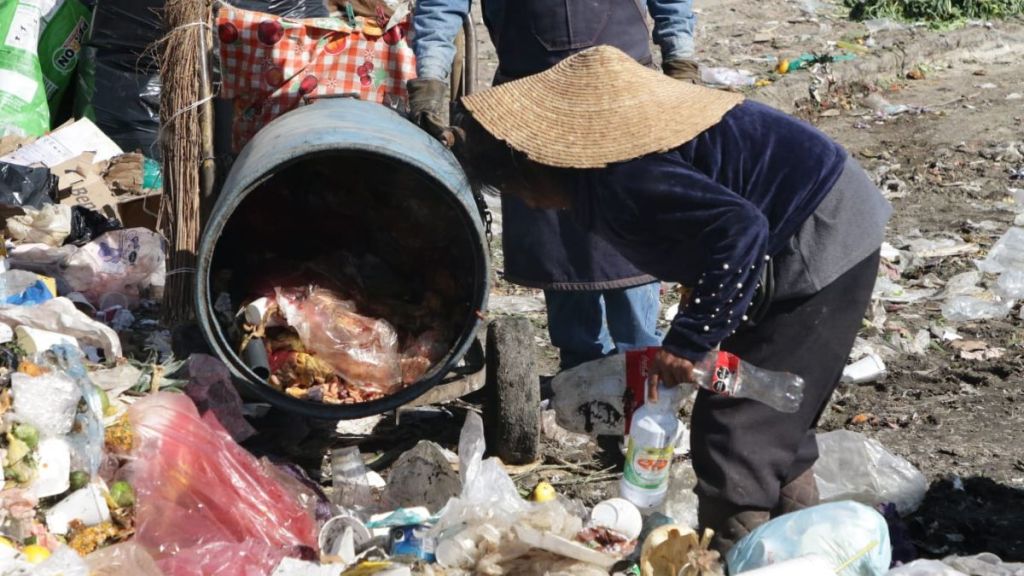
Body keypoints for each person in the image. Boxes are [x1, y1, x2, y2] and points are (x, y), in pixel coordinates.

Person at [452, 46, 892, 553]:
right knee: (771, 414)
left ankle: (738, 553)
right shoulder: (605, 172)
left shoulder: (625, 176)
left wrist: (690, 339)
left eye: (517, 188)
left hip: (821, 236)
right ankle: (806, 550)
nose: (527, 202)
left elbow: (740, 229)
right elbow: (710, 223)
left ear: (538, 163)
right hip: (797, 232)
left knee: (736, 431)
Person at [407, 0, 699, 370]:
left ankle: (640, 371)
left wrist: (680, 58)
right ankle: (579, 376)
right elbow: (441, 5)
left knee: (630, 240)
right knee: (557, 238)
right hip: (532, 98)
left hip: (621, 95)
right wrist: (431, 77)